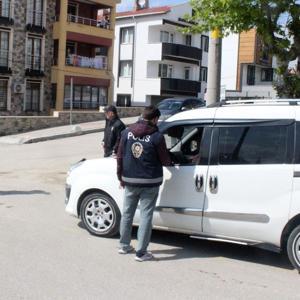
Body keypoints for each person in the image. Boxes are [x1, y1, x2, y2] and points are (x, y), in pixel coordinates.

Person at [116, 105, 172, 262]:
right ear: (154, 119)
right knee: (146, 215)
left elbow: (119, 156)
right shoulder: (157, 136)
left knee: (127, 213)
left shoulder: (126, 132)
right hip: (150, 181)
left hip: (130, 180)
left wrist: (120, 177)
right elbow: (165, 160)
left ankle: (124, 245)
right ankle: (141, 253)